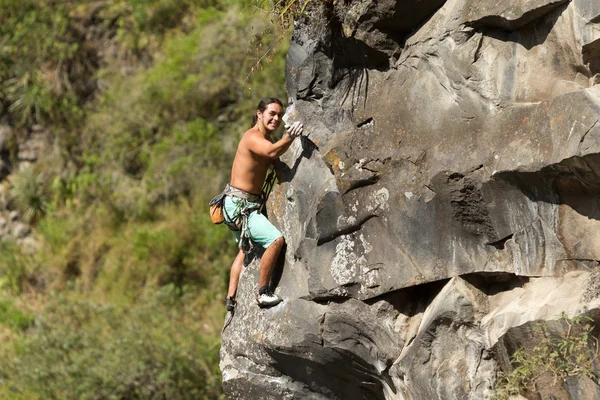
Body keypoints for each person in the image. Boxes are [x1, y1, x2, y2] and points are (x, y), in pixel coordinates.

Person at [222, 98, 303, 311]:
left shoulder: (263, 138)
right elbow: (271, 152)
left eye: (279, 114)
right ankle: (263, 293)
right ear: (259, 113)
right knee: (275, 240)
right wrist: (290, 137)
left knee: (245, 250)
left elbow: (271, 154)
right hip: (241, 206)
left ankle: (231, 297)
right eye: (271, 114)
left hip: (234, 204)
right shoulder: (252, 137)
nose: (276, 118)